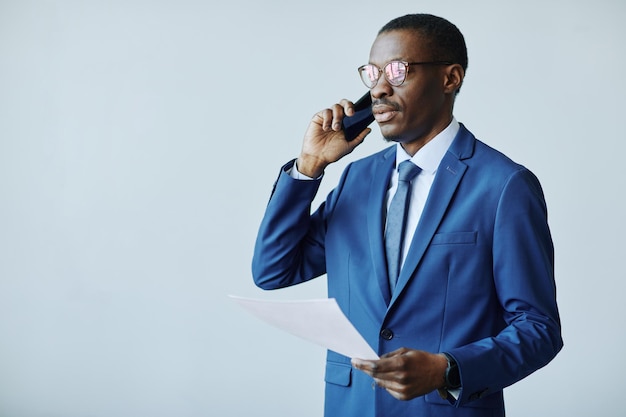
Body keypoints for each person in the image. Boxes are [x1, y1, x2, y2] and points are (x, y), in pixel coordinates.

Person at [251, 13, 562, 417]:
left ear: (450, 78)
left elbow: (538, 328)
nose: (379, 87)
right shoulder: (356, 179)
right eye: (372, 72)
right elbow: (274, 271)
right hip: (352, 407)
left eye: (398, 71)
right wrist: (309, 167)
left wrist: (446, 368)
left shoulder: (504, 186)